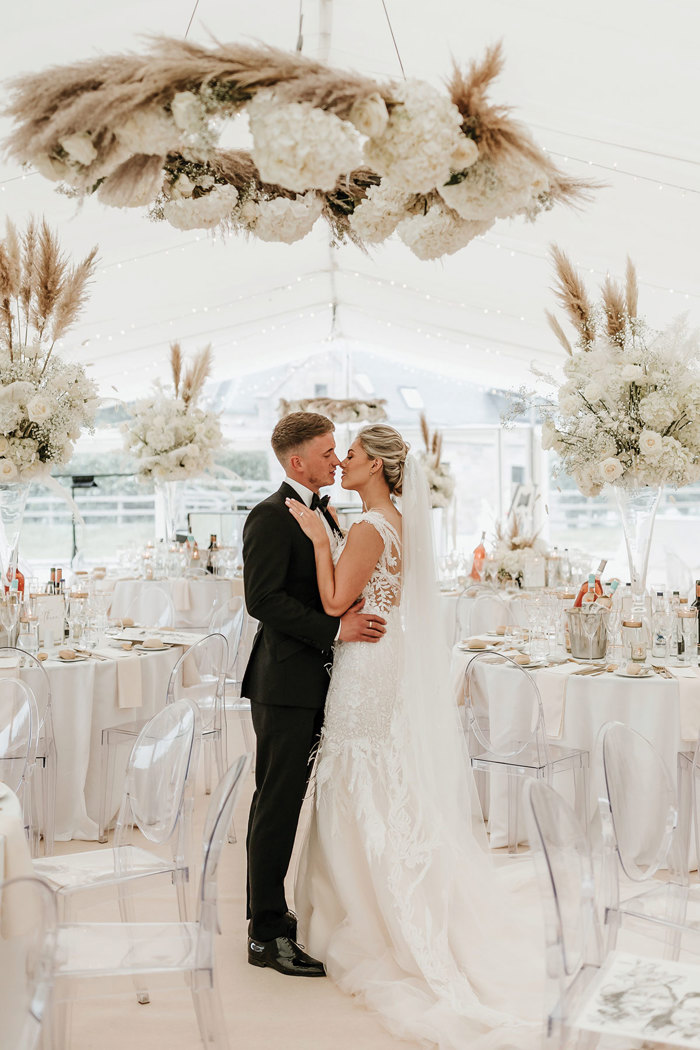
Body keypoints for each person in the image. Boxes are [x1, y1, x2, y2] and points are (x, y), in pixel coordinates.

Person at [288, 424, 543, 1050]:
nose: (342, 462)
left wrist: (322, 543)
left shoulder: (370, 528)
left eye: (350, 454)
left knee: (359, 773)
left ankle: (367, 911)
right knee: (381, 773)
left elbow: (333, 601)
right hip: (386, 658)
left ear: (375, 465)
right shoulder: (396, 521)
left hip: (366, 667)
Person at [242, 411, 387, 978]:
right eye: (328, 453)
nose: (337, 460)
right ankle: (265, 932)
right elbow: (263, 601)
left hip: (322, 682)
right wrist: (335, 629)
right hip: (285, 685)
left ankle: (280, 917)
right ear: (297, 460)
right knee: (277, 805)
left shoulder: (325, 511)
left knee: (293, 802)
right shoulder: (269, 517)